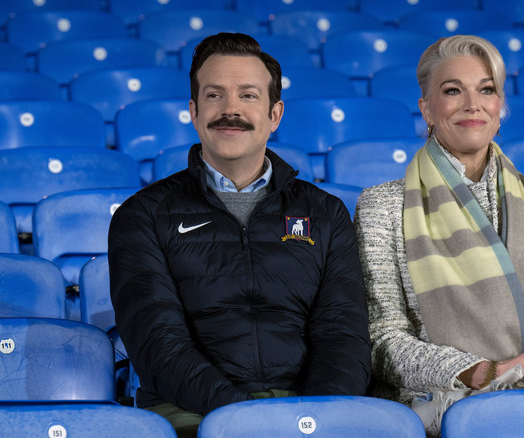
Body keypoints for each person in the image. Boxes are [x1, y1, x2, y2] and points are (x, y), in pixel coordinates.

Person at [353, 35, 524, 436]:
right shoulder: (383, 206)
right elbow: (384, 342)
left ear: (499, 109)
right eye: (451, 91)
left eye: (486, 90)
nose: (471, 104)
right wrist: (483, 372)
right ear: (427, 108)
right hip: (440, 394)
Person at [109, 32, 371, 437]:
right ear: (194, 111)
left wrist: (316, 417)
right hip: (192, 414)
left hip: (311, 414)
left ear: (275, 114)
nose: (230, 109)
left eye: (248, 95)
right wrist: (247, 420)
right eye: (214, 96)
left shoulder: (326, 214)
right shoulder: (142, 215)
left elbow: (344, 336)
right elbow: (158, 343)